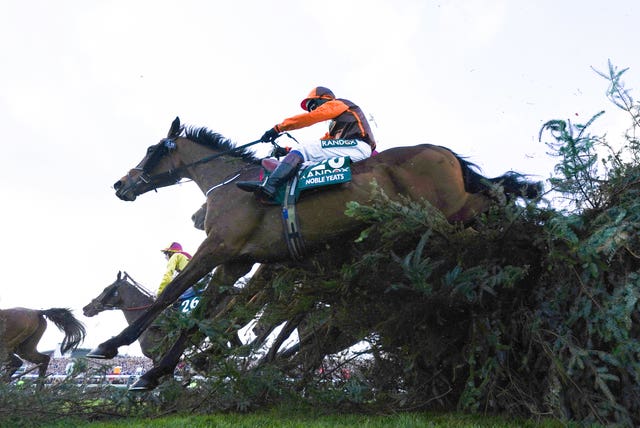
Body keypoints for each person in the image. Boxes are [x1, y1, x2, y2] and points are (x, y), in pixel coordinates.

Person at [237, 86, 377, 199]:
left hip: (357, 146)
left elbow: (311, 118)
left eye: (313, 105)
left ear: (325, 99)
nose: (312, 109)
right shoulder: (335, 126)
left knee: (303, 148)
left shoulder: (340, 104)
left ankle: (270, 186)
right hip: (350, 149)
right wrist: (287, 150)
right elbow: (322, 145)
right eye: (310, 108)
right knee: (304, 162)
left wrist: (278, 128)